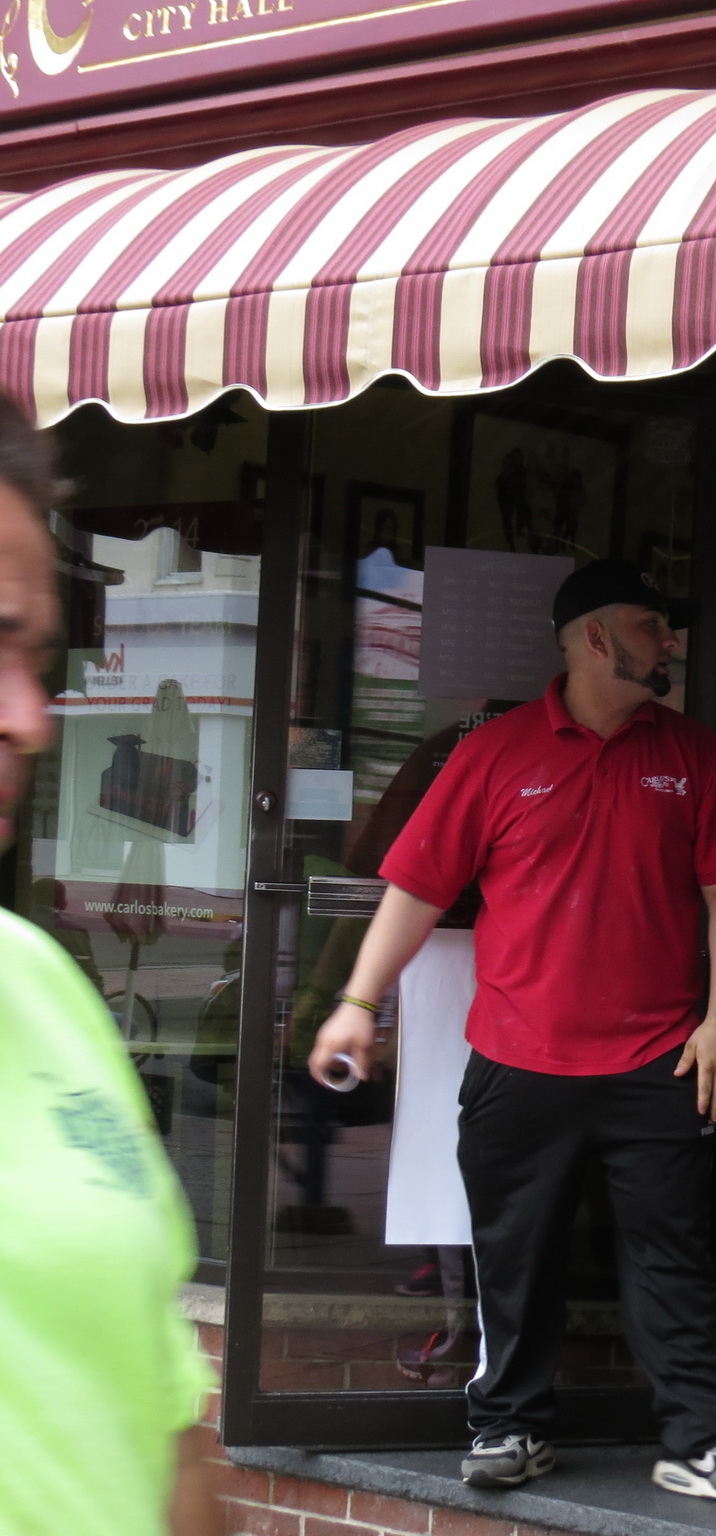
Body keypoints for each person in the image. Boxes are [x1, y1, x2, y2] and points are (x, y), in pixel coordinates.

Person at [309, 559, 716, 1508]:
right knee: (514, 1255)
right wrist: (357, 1001)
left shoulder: (694, 754)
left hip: (661, 1057)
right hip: (517, 1059)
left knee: (673, 1260)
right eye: (653, 626)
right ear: (596, 639)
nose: (670, 642)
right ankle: (510, 1427)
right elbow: (417, 889)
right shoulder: (494, 753)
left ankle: (702, 1441)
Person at [0, 396, 223, 1536]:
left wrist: (138, 883)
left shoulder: (36, 982)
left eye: (34, 658)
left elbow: (171, 1430)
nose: (31, 719)